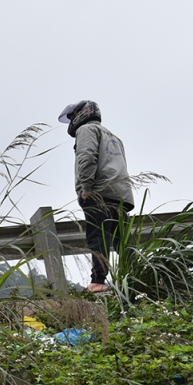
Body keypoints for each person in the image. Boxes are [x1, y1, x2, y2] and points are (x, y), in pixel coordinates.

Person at [59, 100, 134, 293]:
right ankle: (135, 277)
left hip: (98, 192)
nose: (71, 121)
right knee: (122, 242)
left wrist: (86, 188)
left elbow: (87, 157)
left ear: (82, 113)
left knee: (97, 237)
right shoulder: (114, 137)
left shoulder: (86, 130)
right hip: (121, 195)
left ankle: (98, 282)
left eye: (72, 116)